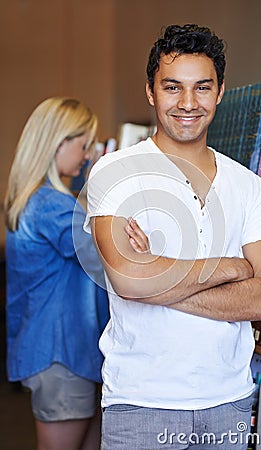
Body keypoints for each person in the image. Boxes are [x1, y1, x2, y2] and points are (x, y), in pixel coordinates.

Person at [84, 24, 261, 449]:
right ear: (150, 91)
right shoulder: (115, 172)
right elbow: (128, 281)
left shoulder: (248, 185)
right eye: (173, 87)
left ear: (221, 91)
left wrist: (157, 278)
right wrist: (231, 269)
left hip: (228, 401)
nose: (188, 103)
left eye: (202, 87)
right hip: (140, 401)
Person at [4, 96, 109, 450]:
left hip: (55, 350)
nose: (86, 155)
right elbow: (105, 258)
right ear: (59, 142)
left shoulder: (37, 199)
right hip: (62, 352)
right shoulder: (52, 205)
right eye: (84, 145)